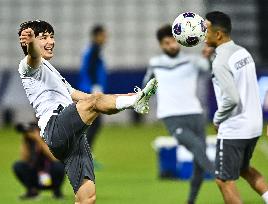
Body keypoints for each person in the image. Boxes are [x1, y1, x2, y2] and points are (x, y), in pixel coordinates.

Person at [18, 20, 157, 204]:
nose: (51, 41)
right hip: (56, 127)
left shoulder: (50, 70)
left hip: (74, 138)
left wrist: (125, 97)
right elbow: (32, 57)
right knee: (95, 101)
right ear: (29, 43)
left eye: (52, 36)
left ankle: (134, 101)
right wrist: (31, 46)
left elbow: (81, 97)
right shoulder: (28, 66)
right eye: (44, 38)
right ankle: (135, 103)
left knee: (87, 197)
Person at [143, 24, 214, 204]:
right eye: (167, 42)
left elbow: (209, 69)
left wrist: (209, 57)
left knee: (199, 161)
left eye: (175, 41)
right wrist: (143, 95)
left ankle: (190, 200)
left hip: (195, 114)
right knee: (198, 149)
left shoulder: (192, 60)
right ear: (161, 45)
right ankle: (223, 177)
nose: (172, 45)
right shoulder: (155, 63)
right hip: (172, 117)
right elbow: (147, 87)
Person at [205, 11, 268, 204]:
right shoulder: (243, 52)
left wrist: (217, 118)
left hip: (235, 128)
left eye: (205, 30)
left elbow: (232, 98)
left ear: (218, 35)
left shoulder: (220, 62)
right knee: (244, 169)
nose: (201, 34)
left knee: (223, 180)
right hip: (253, 125)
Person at [13, 122, 65, 200]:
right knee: (18, 165)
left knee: (59, 165)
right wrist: (25, 140)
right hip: (36, 176)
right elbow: (23, 159)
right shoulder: (30, 142)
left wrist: (39, 140)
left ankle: (57, 191)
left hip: (50, 175)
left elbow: (55, 158)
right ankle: (32, 191)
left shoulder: (50, 138)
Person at [78, 25, 107, 150]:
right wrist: (95, 87)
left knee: (91, 124)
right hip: (90, 91)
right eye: (103, 35)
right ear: (96, 36)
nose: (105, 38)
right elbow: (89, 70)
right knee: (94, 124)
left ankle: (85, 154)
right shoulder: (93, 50)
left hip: (89, 89)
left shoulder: (93, 50)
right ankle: (84, 155)